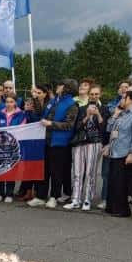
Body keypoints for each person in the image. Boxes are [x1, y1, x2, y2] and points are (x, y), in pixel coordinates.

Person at [28, 79, 79, 208]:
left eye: (60, 85)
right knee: (43, 170)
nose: (57, 86)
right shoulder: (53, 101)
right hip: (45, 140)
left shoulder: (72, 104)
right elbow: (41, 115)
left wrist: (51, 123)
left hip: (60, 143)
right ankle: (40, 196)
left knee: (56, 172)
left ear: (66, 88)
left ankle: (54, 197)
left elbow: (69, 125)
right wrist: (34, 99)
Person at [105, 91, 132, 217]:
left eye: (123, 98)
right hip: (115, 151)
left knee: (121, 182)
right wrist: (114, 116)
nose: (120, 101)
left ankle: (122, 210)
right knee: (113, 181)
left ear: (131, 99)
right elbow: (110, 129)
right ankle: (112, 207)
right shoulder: (122, 113)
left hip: (126, 153)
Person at [65, 86, 105, 211]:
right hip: (80, 143)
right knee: (77, 173)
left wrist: (98, 114)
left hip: (94, 143)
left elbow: (104, 129)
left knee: (90, 173)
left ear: (100, 95)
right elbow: (76, 127)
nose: (94, 96)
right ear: (88, 95)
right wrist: (87, 116)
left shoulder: (104, 109)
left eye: (96, 94)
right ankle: (76, 199)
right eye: (92, 94)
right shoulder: (81, 109)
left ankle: (87, 199)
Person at [97, 80, 131, 209]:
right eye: (121, 87)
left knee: (120, 174)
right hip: (109, 142)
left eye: (126, 87)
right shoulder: (112, 103)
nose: (123, 89)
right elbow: (112, 114)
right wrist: (121, 101)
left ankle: (120, 199)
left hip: (123, 146)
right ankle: (105, 198)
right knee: (106, 172)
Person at [0, 95, 27, 202]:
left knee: (11, 169)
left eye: (11, 102)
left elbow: (22, 129)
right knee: (0, 169)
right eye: (7, 102)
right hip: (1, 146)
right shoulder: (0, 114)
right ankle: (0, 193)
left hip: (13, 146)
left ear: (15, 103)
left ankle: (9, 194)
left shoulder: (21, 115)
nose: (9, 104)